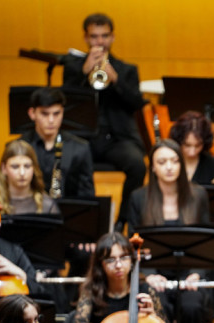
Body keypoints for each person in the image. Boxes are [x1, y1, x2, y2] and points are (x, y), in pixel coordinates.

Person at [127, 139, 211, 323]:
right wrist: (149, 274)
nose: (169, 167)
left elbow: (207, 240)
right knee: (157, 304)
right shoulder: (139, 198)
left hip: (189, 274)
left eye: (175, 161)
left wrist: (196, 273)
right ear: (152, 167)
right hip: (155, 275)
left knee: (193, 306)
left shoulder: (198, 195)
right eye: (162, 162)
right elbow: (133, 243)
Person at [62, 12, 147, 231]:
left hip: (116, 140)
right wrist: (84, 72)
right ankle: (82, 221)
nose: (100, 41)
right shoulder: (73, 67)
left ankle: (122, 220)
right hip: (83, 138)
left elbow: (137, 103)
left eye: (104, 36)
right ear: (86, 38)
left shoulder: (127, 69)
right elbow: (64, 101)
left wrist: (115, 78)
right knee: (67, 163)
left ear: (112, 37)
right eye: (94, 36)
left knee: (137, 165)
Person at [19, 87, 95, 199]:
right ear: (32, 114)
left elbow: (87, 194)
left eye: (56, 114)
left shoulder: (80, 148)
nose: (51, 120)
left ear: (62, 112)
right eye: (45, 114)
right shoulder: (20, 147)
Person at [0, 140, 59, 215]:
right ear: (4, 168)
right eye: (15, 167)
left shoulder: (48, 205)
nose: (22, 173)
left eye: (27, 166)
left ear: (34, 168)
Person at [168, 110, 214, 185]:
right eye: (187, 145)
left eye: (198, 145)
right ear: (179, 140)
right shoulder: (166, 162)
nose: (192, 152)